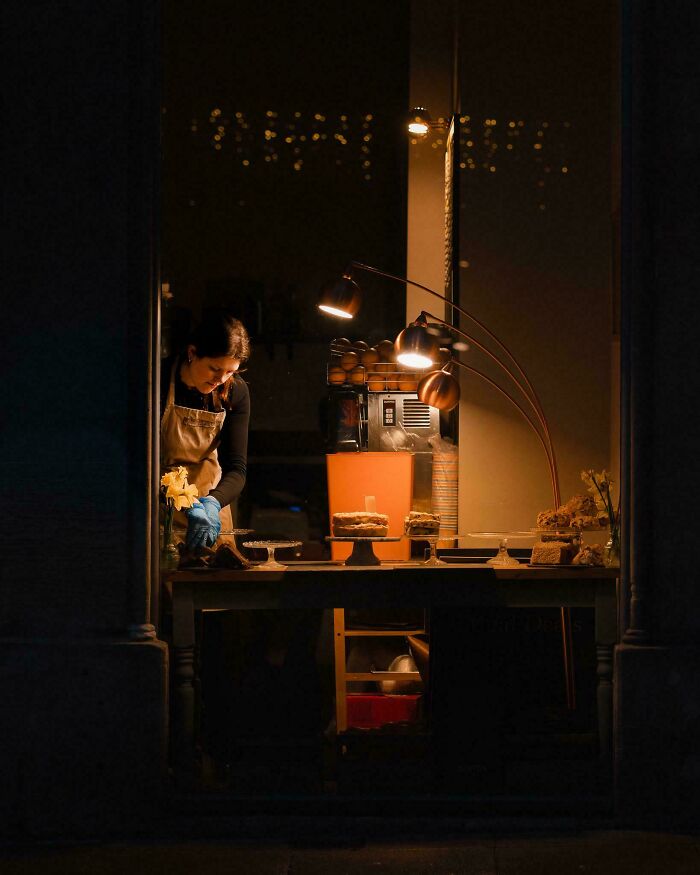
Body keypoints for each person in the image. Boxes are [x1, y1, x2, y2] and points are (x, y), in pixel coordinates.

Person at [161, 308, 250, 548]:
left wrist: (212, 503)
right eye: (214, 368)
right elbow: (140, 464)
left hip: (210, 503)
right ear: (192, 353)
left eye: (230, 371)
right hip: (160, 507)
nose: (221, 379)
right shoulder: (156, 381)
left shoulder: (235, 392)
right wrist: (183, 501)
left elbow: (237, 469)